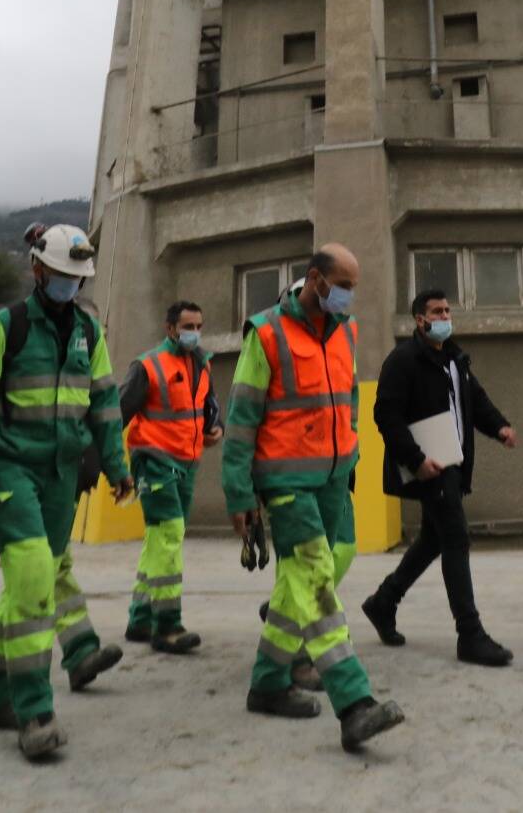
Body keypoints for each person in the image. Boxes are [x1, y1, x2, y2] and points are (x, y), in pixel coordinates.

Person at [0, 224, 134, 762]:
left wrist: (116, 465)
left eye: (77, 280)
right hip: (13, 468)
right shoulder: (3, 328)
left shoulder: (88, 332)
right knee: (34, 575)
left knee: (27, 587)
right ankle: (34, 710)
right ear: (37, 270)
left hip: (61, 475)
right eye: (61, 276)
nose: (70, 287)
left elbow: (104, 403)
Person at [222, 243, 406, 753]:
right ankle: (355, 704)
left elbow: (346, 399)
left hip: (330, 477)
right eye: (342, 285)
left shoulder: (345, 329)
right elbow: (240, 421)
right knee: (316, 577)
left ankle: (266, 684)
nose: (348, 296)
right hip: (284, 481)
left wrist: (349, 458)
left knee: (294, 587)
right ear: (315, 279)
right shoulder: (266, 334)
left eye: (353, 287)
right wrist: (239, 493)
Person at [358, 290, 517, 666]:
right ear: (419, 319)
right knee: (456, 537)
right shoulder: (403, 360)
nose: (445, 316)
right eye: (437, 311)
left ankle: (384, 602)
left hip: (453, 462)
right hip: (430, 465)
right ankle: (470, 634)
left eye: (447, 310)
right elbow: (386, 415)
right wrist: (415, 460)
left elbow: (475, 401)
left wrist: (500, 428)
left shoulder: (454, 359)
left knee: (433, 538)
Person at [120, 300, 222, 653]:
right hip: (154, 460)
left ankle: (140, 618)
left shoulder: (202, 364)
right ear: (170, 329)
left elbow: (210, 408)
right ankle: (167, 625)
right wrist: (110, 465)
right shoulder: (148, 365)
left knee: (159, 539)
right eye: (187, 327)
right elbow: (118, 412)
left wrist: (216, 429)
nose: (194, 333)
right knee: (169, 534)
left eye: (199, 326)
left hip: (187, 463)